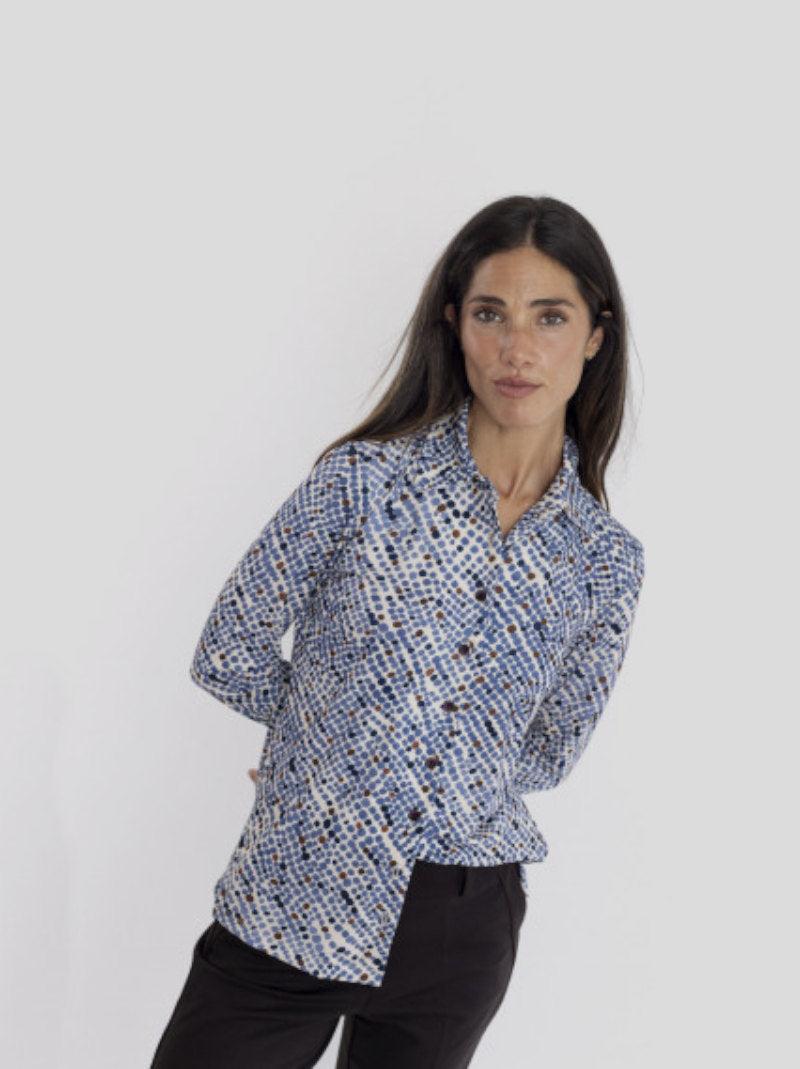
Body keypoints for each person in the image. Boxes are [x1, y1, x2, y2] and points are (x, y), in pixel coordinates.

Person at [149, 195, 646, 1069]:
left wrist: (381, 757)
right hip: (297, 888)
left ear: (595, 336)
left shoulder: (605, 559)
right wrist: (324, 747)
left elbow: (549, 750)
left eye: (549, 317)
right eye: (490, 314)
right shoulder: (363, 482)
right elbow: (229, 648)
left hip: (461, 925)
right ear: (454, 324)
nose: (517, 349)